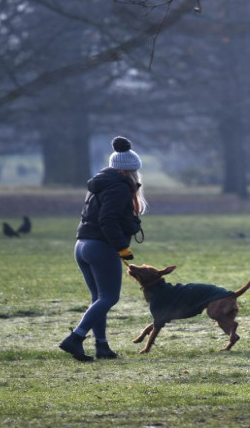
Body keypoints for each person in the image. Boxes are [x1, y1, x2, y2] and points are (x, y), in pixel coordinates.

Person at [59, 136, 148, 362]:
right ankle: (76, 338)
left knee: (98, 298)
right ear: (130, 170)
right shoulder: (119, 187)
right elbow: (108, 220)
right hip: (100, 247)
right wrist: (121, 248)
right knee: (109, 297)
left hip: (82, 245)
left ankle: (102, 346)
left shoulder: (101, 182)